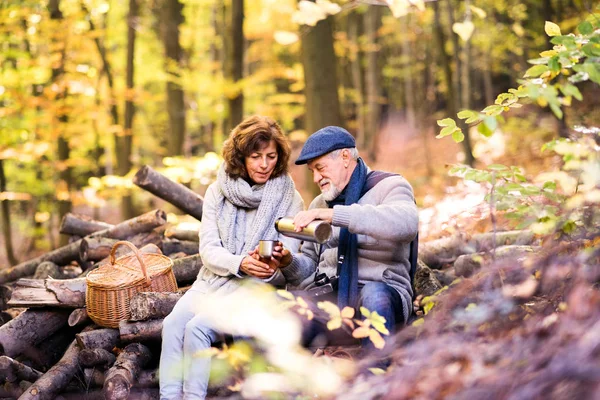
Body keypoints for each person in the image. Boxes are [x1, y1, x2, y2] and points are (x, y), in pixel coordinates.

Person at [159, 115, 304, 400]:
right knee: (172, 324)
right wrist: (239, 263)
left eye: (271, 156)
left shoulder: (290, 198)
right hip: (212, 281)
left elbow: (290, 258)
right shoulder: (217, 192)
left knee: (197, 328)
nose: (264, 164)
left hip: (255, 289)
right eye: (256, 156)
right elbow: (209, 249)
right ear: (240, 157)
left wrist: (272, 267)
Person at [278, 126, 418, 345]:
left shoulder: (389, 185)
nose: (316, 178)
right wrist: (287, 262)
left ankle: (376, 374)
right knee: (274, 306)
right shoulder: (319, 203)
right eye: (311, 171)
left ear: (345, 156)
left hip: (380, 293)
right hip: (328, 300)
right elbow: (309, 268)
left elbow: (406, 224)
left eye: (320, 167)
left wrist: (335, 215)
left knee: (375, 296)